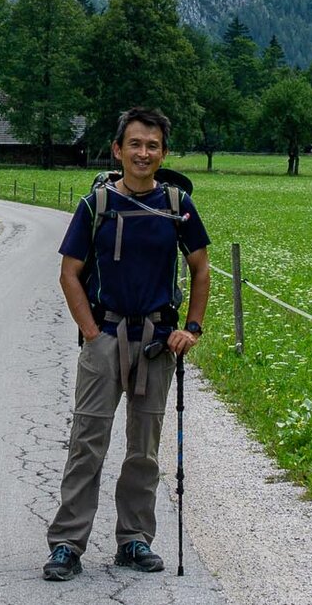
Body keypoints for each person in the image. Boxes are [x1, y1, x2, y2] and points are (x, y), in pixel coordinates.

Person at [44, 106, 211, 581]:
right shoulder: (96, 205)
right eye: (135, 144)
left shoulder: (178, 205)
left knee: (144, 450)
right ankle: (67, 544)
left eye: (152, 145)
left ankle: (134, 540)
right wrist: (92, 335)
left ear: (163, 153)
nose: (143, 152)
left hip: (158, 343)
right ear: (118, 150)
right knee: (87, 444)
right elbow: (69, 274)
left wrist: (191, 329)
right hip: (106, 339)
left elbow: (201, 269)